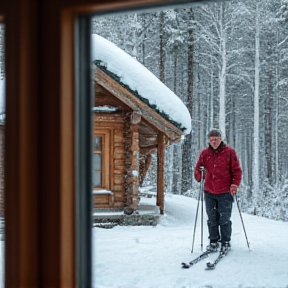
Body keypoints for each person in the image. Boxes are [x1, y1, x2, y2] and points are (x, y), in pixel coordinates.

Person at [194, 128, 242, 254]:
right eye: (211, 139)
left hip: (225, 191)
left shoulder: (229, 152)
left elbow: (237, 170)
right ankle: (213, 241)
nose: (214, 141)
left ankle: (225, 241)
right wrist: (200, 175)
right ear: (208, 141)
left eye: (216, 139)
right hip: (209, 191)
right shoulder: (204, 154)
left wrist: (234, 185)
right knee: (211, 218)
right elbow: (198, 169)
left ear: (221, 139)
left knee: (224, 218)